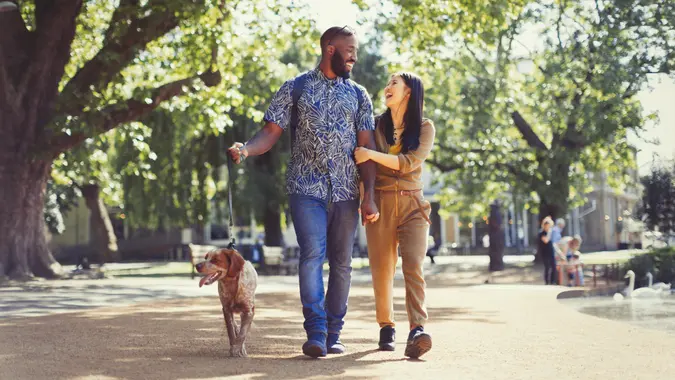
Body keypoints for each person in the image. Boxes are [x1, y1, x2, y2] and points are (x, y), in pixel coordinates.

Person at [228, 26, 380, 358]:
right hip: (305, 187)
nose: (354, 56)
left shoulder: (358, 95)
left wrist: (369, 195)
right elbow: (269, 133)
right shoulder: (295, 88)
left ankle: (334, 333)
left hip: (345, 190)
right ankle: (316, 332)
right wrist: (246, 150)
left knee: (341, 263)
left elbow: (366, 149)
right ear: (330, 49)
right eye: (349, 49)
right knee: (312, 256)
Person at [354, 72, 436, 359]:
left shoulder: (425, 128)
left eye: (394, 83)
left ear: (409, 92)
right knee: (382, 269)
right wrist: (367, 200)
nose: (387, 87)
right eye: (387, 82)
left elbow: (408, 163)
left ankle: (417, 328)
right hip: (381, 203)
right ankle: (386, 326)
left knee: (413, 265)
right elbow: (365, 171)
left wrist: (370, 154)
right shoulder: (375, 126)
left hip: (414, 205)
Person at [539, 216, 556, 285]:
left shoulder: (551, 233)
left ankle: (552, 281)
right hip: (545, 252)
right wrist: (549, 233)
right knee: (547, 267)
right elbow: (546, 240)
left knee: (553, 267)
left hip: (551, 252)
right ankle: (547, 282)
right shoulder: (542, 233)